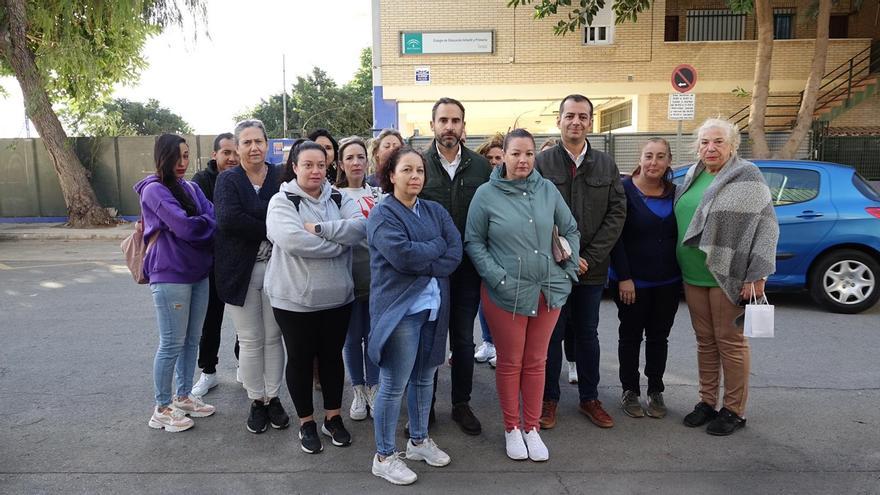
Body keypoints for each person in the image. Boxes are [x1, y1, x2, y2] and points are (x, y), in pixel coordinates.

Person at [465, 129, 579, 461]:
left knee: (536, 362)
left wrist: (567, 271)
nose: (523, 160)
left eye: (529, 153)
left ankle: (532, 427)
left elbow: (569, 228)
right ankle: (512, 427)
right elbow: (474, 241)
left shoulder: (547, 190)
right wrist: (498, 278)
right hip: (506, 294)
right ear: (504, 156)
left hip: (548, 290)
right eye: (515, 153)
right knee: (511, 363)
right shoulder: (486, 194)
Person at [675, 118, 778, 436]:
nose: (710, 147)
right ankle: (707, 402)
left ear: (733, 145)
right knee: (705, 342)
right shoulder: (694, 173)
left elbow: (767, 225)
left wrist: (757, 274)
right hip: (692, 273)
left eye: (718, 141)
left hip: (728, 272)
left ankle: (734, 410)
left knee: (730, 342)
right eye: (705, 142)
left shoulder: (747, 174)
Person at [265, 140, 366, 454]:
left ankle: (333, 417)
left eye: (321, 165)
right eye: (307, 165)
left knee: (332, 358)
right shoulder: (282, 201)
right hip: (293, 300)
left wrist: (319, 228)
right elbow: (292, 240)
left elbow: (359, 227)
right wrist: (337, 242)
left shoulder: (338, 196)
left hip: (338, 297)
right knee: (300, 359)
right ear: (295, 167)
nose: (315, 171)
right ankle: (306, 421)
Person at [368, 146, 462, 485]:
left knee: (425, 378)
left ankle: (419, 441)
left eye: (419, 170)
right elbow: (403, 256)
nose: (414, 176)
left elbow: (455, 252)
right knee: (393, 385)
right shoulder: (383, 214)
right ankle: (384, 455)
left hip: (434, 307)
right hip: (400, 312)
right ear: (391, 175)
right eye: (406, 170)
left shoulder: (435, 211)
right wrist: (435, 246)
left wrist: (431, 251)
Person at [536, 94, 626, 430]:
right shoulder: (542, 163)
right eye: (569, 116)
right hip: (553, 268)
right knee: (552, 335)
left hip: (592, 268)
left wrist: (588, 257)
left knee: (587, 335)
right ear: (558, 120)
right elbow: (533, 214)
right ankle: (549, 399)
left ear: (591, 122)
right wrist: (563, 256)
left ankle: (590, 397)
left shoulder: (606, 164)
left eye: (583, 116)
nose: (576, 122)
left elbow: (617, 214)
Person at [419, 97, 492, 436]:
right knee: (429, 339)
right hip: (430, 270)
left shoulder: (481, 168)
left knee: (462, 340)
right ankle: (426, 406)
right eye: (443, 120)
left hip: (467, 270)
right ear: (432, 124)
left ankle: (461, 404)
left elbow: (493, 214)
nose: (449, 126)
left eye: (455, 120)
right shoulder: (418, 165)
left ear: (464, 125)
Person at [136, 134, 217, 432]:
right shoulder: (154, 191)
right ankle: (161, 407)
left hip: (198, 272)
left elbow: (212, 218)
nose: (182, 163)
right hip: (170, 274)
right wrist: (202, 224)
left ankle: (183, 397)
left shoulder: (192, 188)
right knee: (171, 343)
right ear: (163, 157)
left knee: (192, 339)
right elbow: (186, 227)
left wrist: (201, 224)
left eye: (186, 156)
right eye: (176, 157)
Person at [213, 119, 290, 434]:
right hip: (239, 273)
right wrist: (271, 220)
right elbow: (229, 220)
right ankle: (256, 400)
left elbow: (290, 215)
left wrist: (255, 215)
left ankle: (273, 397)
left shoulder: (282, 175)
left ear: (267, 144)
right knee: (250, 340)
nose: (254, 147)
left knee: (274, 338)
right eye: (247, 142)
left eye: (259, 141)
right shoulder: (228, 180)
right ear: (238, 146)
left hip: (280, 272)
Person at [609, 138, 681, 419]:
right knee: (629, 337)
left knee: (659, 337)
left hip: (668, 281)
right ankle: (630, 390)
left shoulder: (676, 193)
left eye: (660, 157)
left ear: (669, 161)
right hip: (631, 282)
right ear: (640, 159)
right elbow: (615, 238)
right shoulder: (623, 191)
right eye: (648, 156)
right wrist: (625, 277)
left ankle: (655, 389)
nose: (654, 162)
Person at [336, 136, 385, 420]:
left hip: (377, 279)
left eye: (360, 157)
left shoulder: (379, 195)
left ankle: (375, 386)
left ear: (368, 161)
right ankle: (358, 389)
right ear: (341, 164)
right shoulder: (333, 196)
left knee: (374, 337)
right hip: (346, 280)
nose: (356, 162)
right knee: (352, 338)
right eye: (350, 158)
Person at [191, 133, 240, 397]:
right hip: (211, 263)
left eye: (235, 153)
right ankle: (208, 372)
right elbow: (205, 218)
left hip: (240, 261)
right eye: (226, 153)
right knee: (210, 321)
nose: (232, 158)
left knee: (246, 322)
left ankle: (244, 365)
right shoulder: (201, 181)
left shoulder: (246, 177)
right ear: (215, 155)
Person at [472, 133, 505, 366]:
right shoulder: (480, 186)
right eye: (489, 158)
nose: (494, 162)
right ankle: (488, 342)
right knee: (485, 301)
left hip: (504, 254)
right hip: (483, 251)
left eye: (498, 157)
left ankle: (501, 347)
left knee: (501, 303)